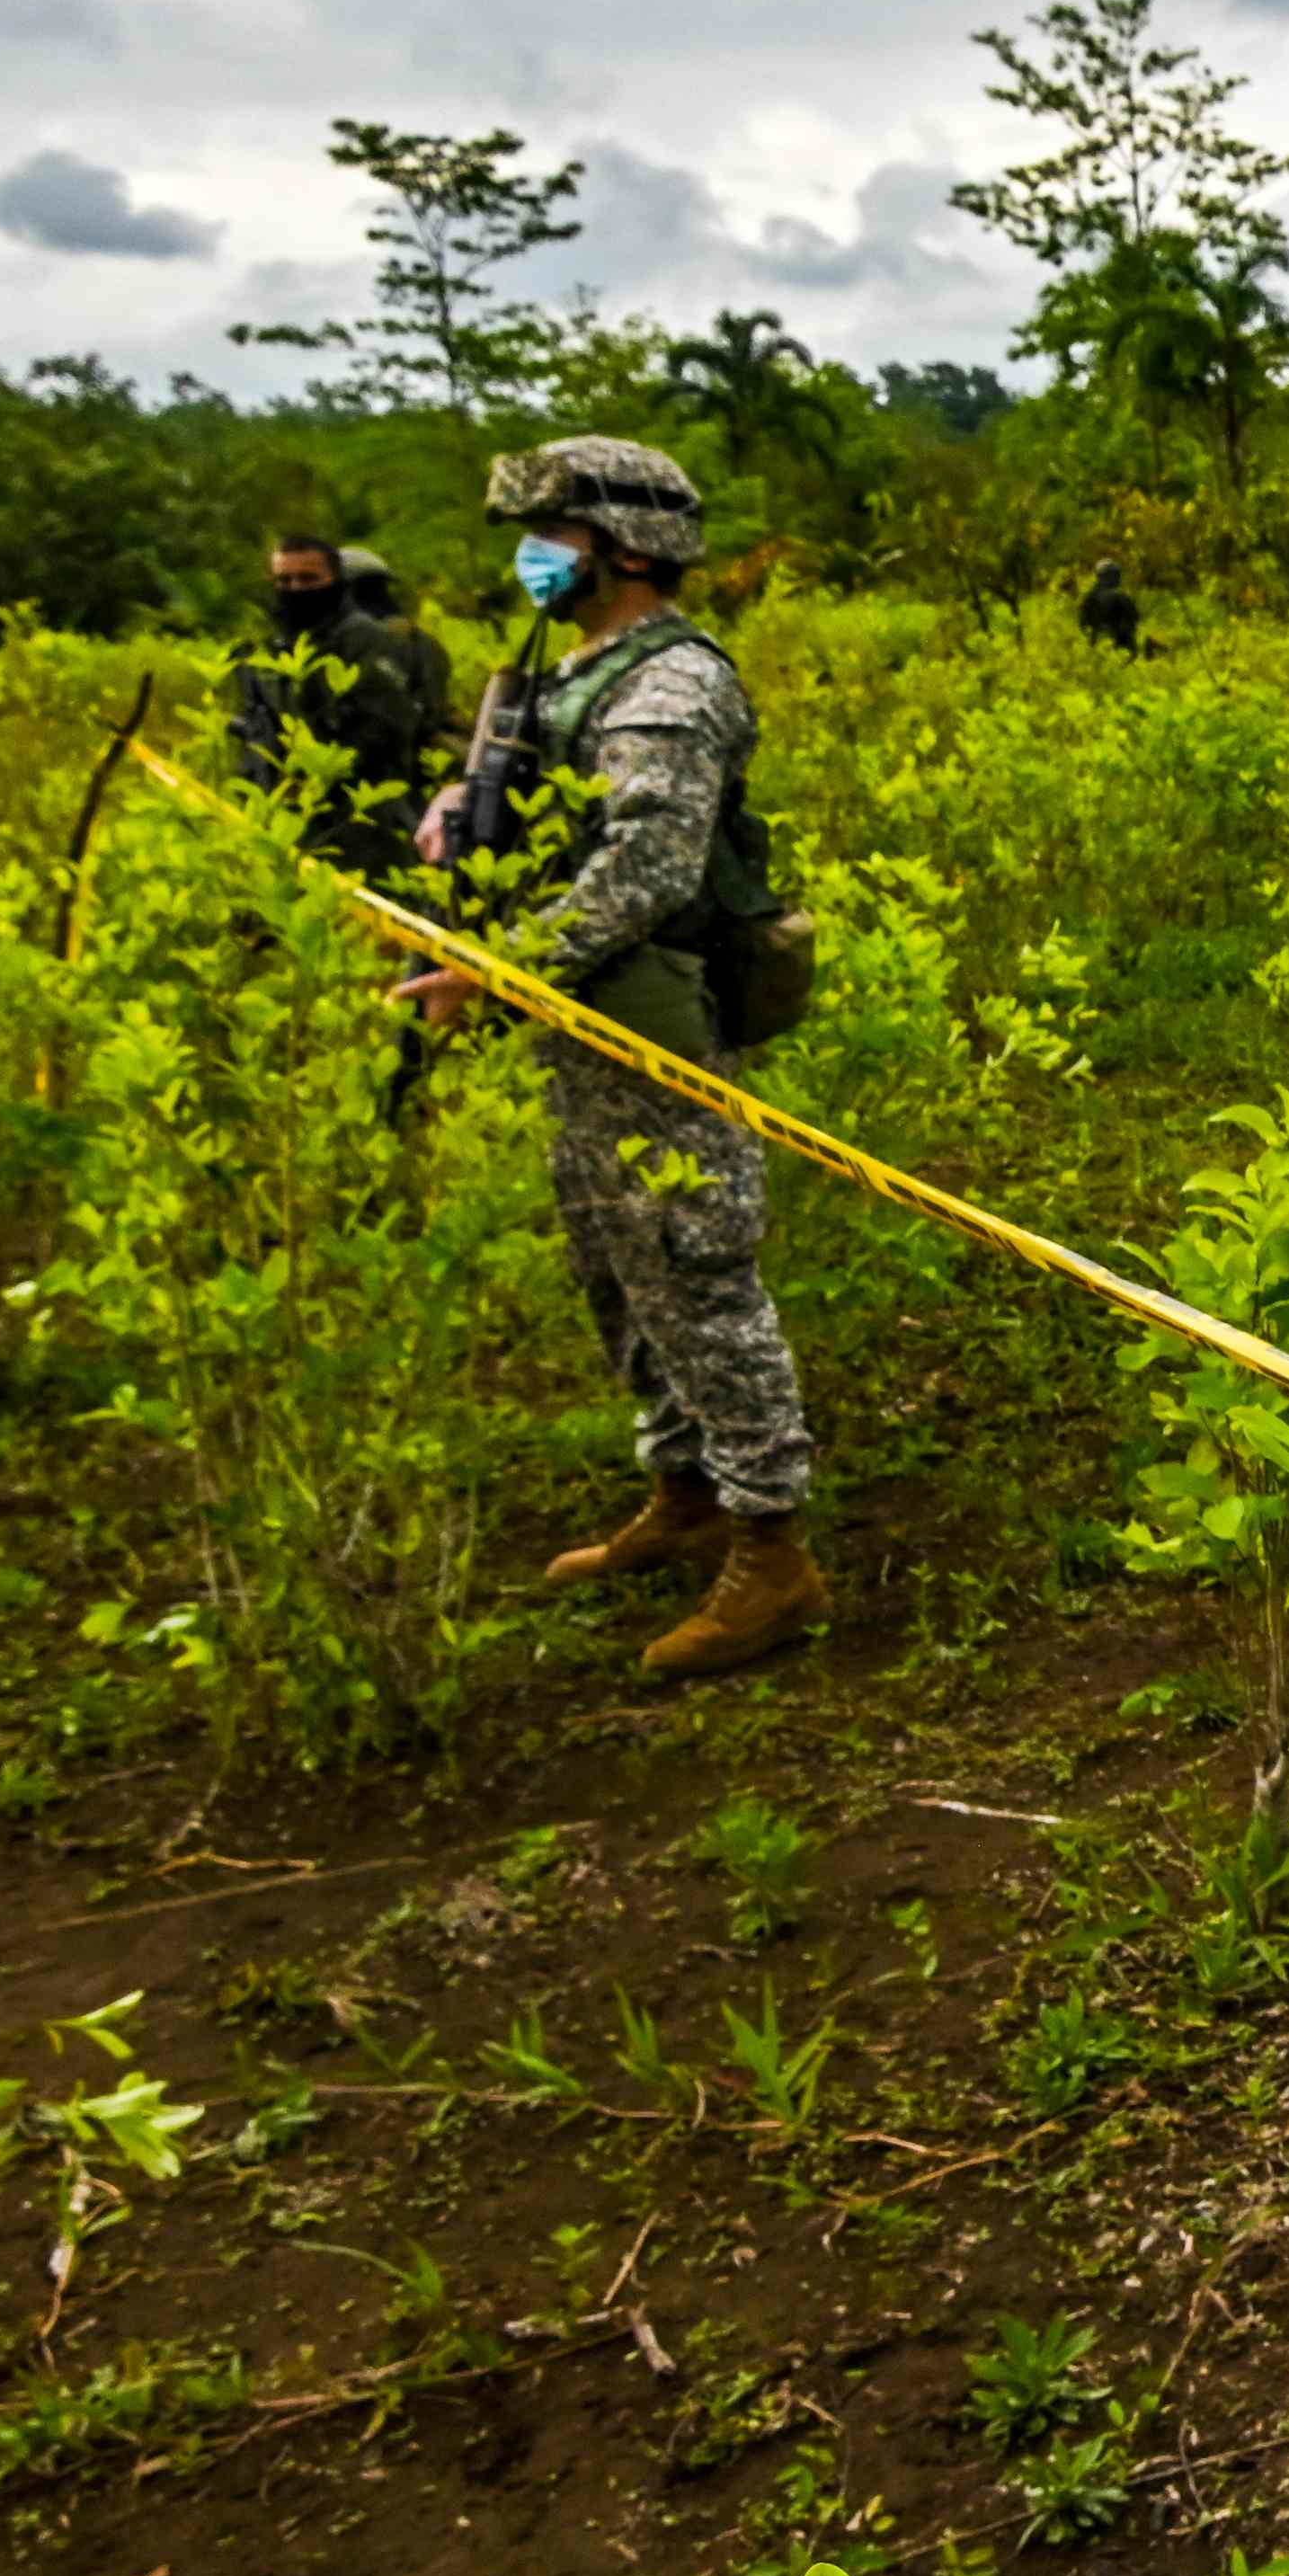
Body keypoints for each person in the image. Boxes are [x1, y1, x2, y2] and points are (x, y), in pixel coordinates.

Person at [393, 433, 830, 1683]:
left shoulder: (670, 686)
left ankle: (771, 1547)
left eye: (554, 539)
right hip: (575, 1027)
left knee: (695, 1266)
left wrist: (494, 969)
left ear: (626, 547)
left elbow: (646, 866)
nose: (533, 562)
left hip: (647, 1023)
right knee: (612, 1261)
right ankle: (683, 1489)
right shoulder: (569, 670)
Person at [224, 535, 455, 875]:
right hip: (293, 821)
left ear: (336, 581)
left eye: (308, 579)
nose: (295, 590)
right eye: (284, 581)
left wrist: (321, 772)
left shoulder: (368, 641)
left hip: (362, 820)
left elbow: (387, 733)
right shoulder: (276, 646)